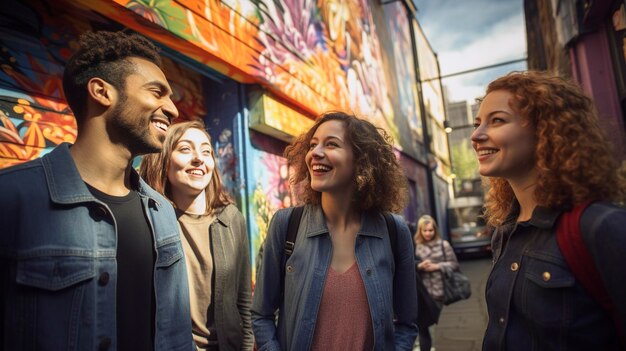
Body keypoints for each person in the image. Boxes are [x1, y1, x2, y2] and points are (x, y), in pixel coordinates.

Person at [0, 31, 194, 350]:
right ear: (102, 92)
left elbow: (177, 334)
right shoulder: (13, 198)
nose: (172, 110)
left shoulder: (163, 212)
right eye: (157, 92)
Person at [473, 71, 626, 350]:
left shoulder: (601, 226)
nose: (476, 135)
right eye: (477, 123)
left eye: (497, 120)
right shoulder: (505, 232)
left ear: (545, 129)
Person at [251, 111, 418, 350]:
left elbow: (407, 324)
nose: (315, 153)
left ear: (361, 161)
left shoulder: (394, 231)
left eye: (331, 144)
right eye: (312, 145)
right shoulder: (286, 225)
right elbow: (261, 315)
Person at [139, 120, 253, 351]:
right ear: (163, 160)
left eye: (206, 151)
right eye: (185, 149)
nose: (199, 158)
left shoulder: (231, 219)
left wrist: (248, 345)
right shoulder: (147, 219)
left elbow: (243, 298)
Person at [414, 215, 459, 351]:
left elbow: (454, 265)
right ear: (420, 231)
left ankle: (426, 345)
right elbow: (410, 266)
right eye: (425, 230)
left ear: (435, 230)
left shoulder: (443, 245)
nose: (428, 233)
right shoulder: (416, 246)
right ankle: (424, 345)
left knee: (428, 321)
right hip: (422, 292)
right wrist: (420, 266)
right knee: (423, 324)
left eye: (431, 230)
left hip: (439, 292)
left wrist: (437, 266)